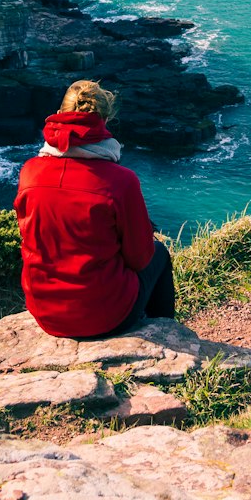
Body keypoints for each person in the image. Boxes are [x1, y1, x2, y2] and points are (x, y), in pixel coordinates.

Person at [14, 79, 176, 339]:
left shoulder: (29, 173)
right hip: (105, 316)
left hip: (46, 313)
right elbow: (140, 258)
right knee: (158, 253)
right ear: (105, 120)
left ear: (59, 115)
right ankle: (165, 334)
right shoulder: (121, 181)